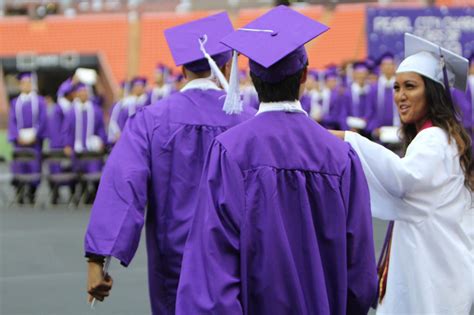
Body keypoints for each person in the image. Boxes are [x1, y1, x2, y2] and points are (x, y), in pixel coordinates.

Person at [176, 6, 378, 314]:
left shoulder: (230, 151)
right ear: (305, 76)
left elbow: (213, 265)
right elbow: (360, 274)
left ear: (251, 78)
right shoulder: (340, 156)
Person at [84, 12, 256, 315]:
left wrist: (98, 260)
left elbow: (123, 185)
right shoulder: (250, 122)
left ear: (182, 68)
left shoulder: (151, 121)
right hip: (241, 261)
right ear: (228, 65)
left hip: (176, 265)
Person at [331, 33, 474, 313]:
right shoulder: (441, 137)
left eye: (410, 86)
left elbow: (401, 179)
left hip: (434, 273)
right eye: (396, 88)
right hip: (437, 265)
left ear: (432, 93)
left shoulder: (433, 139)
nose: (400, 96)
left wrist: (346, 141)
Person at [8, 72, 48, 203]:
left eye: (29, 83)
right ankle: (19, 192)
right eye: (23, 83)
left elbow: (42, 120)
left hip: (34, 142)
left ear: (32, 85)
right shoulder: (15, 103)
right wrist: (17, 136)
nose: (26, 85)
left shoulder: (40, 101)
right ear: (20, 85)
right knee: (20, 165)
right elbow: (12, 121)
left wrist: (35, 135)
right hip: (19, 142)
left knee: (34, 166)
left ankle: (32, 193)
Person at [64, 82, 107, 203]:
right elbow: (66, 131)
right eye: (80, 92)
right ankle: (78, 194)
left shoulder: (96, 110)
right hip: (76, 150)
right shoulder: (71, 112)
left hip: (91, 151)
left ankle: (92, 195)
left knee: (94, 171)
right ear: (77, 94)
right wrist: (67, 145)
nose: (83, 94)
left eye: (85, 92)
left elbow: (101, 129)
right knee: (76, 171)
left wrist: (102, 141)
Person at [48, 77, 77, 203]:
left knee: (71, 170)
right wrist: (65, 144)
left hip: (69, 144)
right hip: (60, 146)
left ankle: (72, 194)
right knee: (58, 169)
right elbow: (56, 131)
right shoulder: (59, 110)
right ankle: (56, 194)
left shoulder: (71, 108)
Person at [343, 61, 376, 136]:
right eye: (358, 74)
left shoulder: (372, 91)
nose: (361, 77)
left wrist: (367, 126)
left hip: (368, 131)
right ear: (354, 75)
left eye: (363, 74)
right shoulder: (347, 93)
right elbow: (343, 114)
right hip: (351, 131)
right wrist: (349, 129)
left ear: (367, 75)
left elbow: (375, 112)